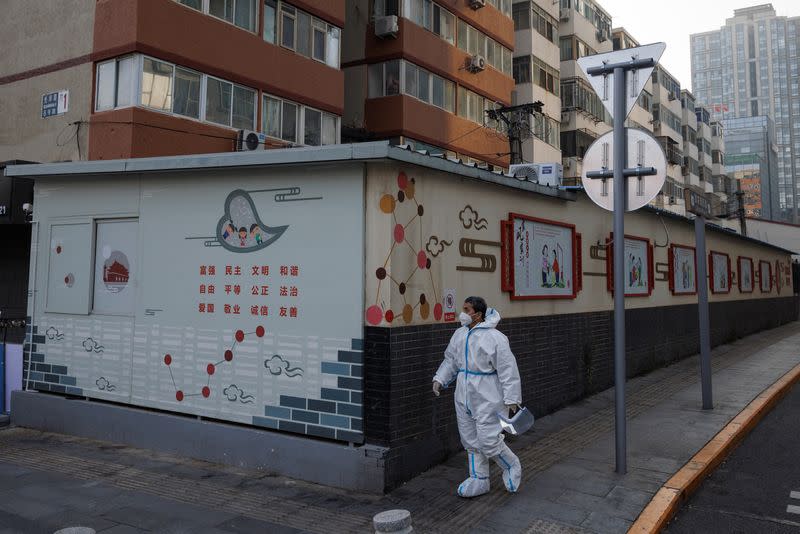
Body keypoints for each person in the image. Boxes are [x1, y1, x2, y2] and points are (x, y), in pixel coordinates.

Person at [432, 296, 522, 498]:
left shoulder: (495, 337)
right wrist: (440, 378)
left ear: (477, 314)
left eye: (466, 309)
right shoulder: (459, 334)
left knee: (488, 439)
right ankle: (479, 479)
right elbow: (451, 361)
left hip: (487, 394)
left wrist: (512, 398)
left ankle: (511, 465)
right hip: (463, 392)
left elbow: (508, 369)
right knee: (470, 439)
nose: (462, 312)